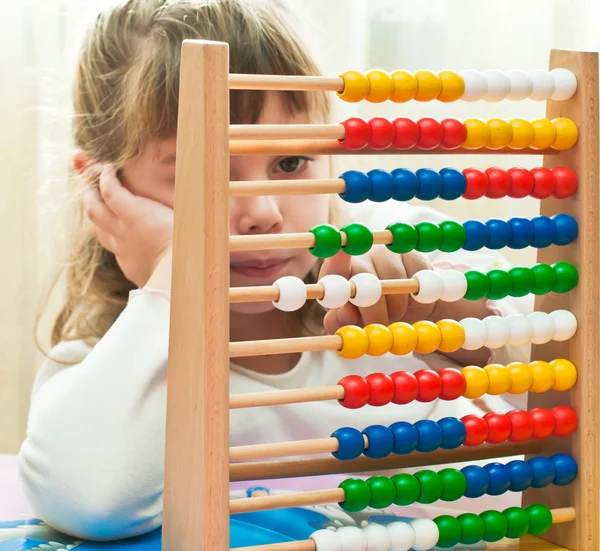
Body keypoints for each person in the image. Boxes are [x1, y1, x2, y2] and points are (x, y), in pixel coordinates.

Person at [18, 0, 528, 541]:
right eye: (205, 169)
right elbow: (90, 501)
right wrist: (176, 272)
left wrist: (458, 320)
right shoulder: (108, 367)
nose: (263, 212)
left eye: (290, 163)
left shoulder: (395, 263)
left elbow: (558, 381)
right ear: (103, 187)